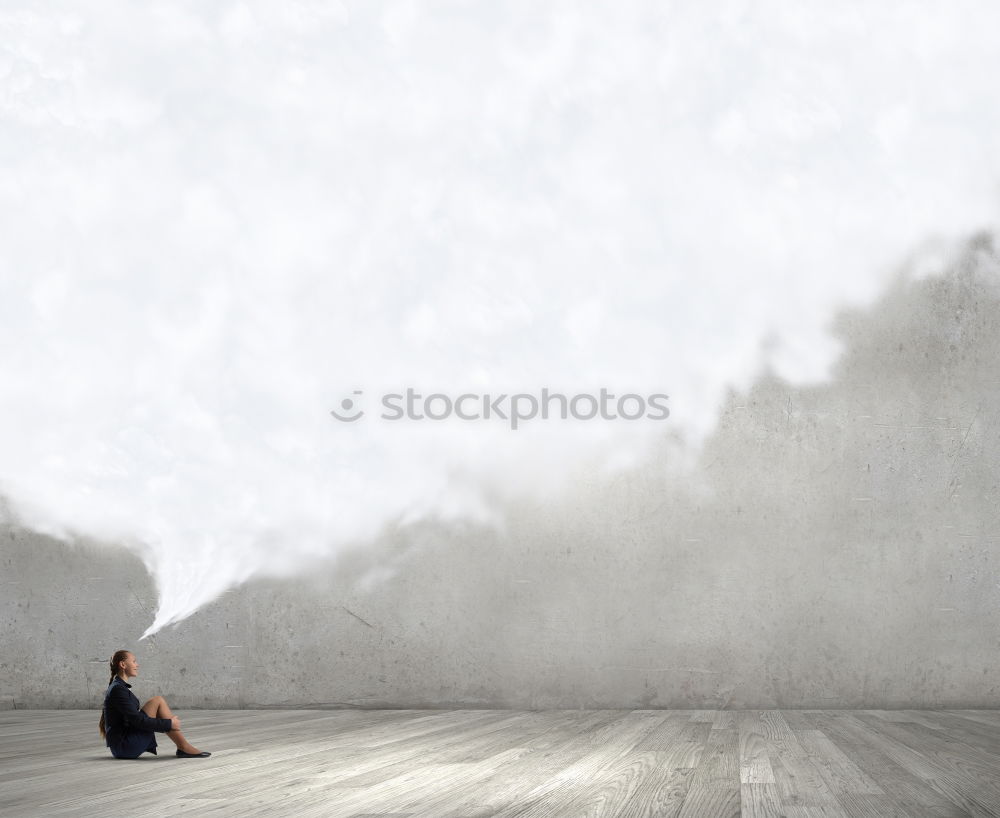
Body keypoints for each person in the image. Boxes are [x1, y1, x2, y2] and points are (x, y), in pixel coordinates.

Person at [98, 649, 211, 759]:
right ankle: (183, 747)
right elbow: (137, 720)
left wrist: (168, 723)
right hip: (124, 747)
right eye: (134, 661)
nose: (137, 665)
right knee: (158, 701)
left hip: (123, 744)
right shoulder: (118, 689)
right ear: (123, 664)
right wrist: (169, 724)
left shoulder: (119, 686)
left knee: (157, 700)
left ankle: (183, 747)